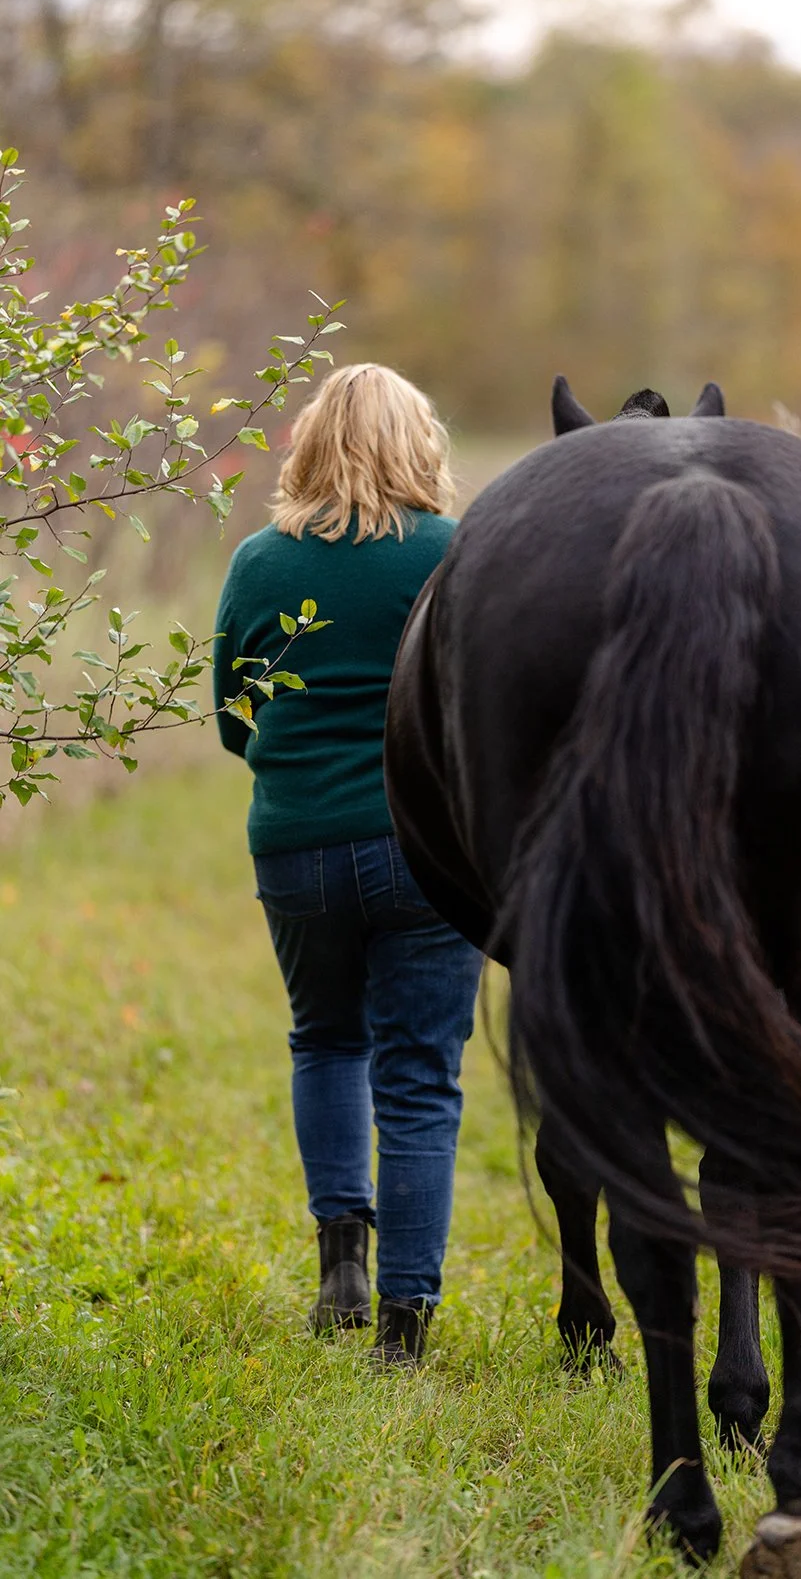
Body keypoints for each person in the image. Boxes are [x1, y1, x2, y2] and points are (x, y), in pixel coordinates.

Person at [213, 363, 484, 1367]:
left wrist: (296, 772)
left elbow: (233, 717)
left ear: (312, 443)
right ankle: (404, 1328)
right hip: (426, 853)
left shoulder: (259, 561)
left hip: (295, 844)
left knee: (325, 1040)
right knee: (420, 1076)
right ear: (419, 443)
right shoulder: (452, 555)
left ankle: (341, 1264)